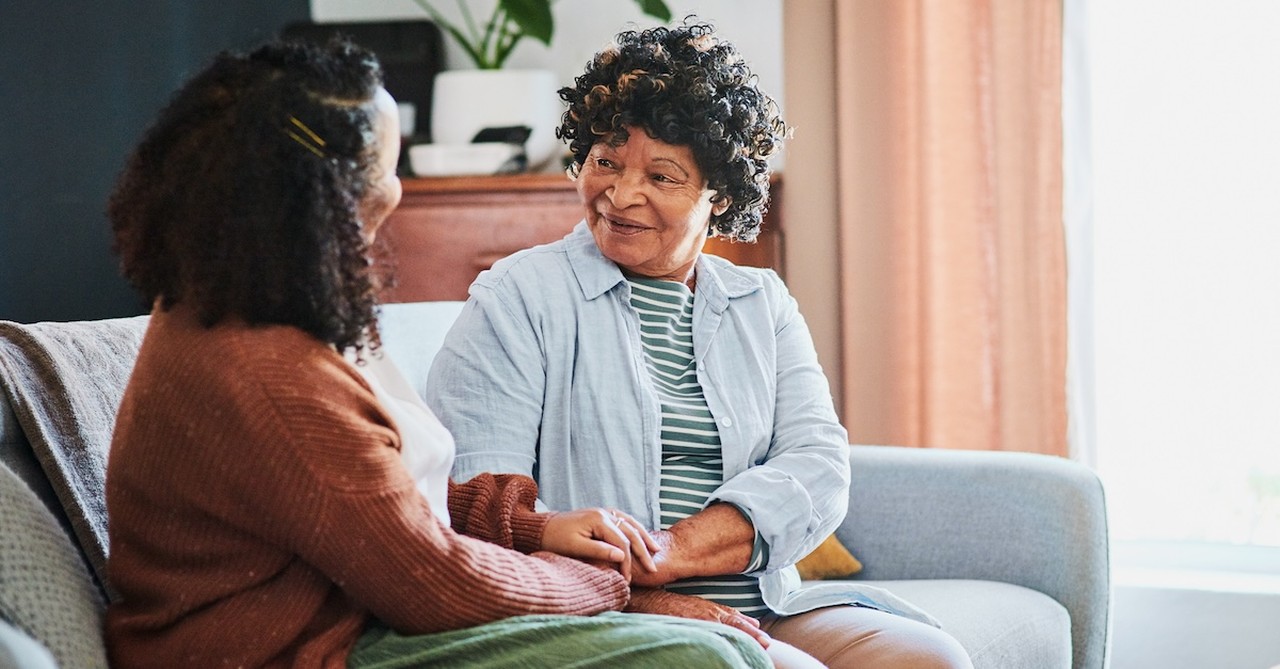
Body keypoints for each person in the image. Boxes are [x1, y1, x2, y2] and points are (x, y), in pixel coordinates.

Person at [103, 37, 773, 669]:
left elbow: (377, 503)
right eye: (391, 167)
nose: (397, 192)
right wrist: (609, 580)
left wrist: (532, 527)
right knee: (706, 657)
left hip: (351, 619)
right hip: (294, 650)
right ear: (334, 194)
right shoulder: (271, 374)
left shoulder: (241, 302)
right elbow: (435, 580)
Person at [425, 22, 974, 669]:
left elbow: (818, 463)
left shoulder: (760, 301)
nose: (621, 194)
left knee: (931, 658)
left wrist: (670, 551)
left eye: (661, 175)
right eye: (605, 160)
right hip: (596, 607)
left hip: (767, 601)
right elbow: (473, 497)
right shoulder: (518, 294)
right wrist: (638, 593)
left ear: (720, 195)